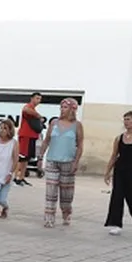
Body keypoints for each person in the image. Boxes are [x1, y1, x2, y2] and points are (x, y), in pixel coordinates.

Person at [38, 97, 84, 228]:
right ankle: (49, 218)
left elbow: (80, 145)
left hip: (68, 162)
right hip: (52, 161)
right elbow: (46, 141)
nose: (62, 110)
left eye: (65, 107)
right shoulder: (54, 123)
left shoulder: (77, 125)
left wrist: (76, 162)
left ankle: (66, 211)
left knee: (66, 193)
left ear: (72, 109)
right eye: (61, 107)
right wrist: (40, 157)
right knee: (51, 191)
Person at [103, 111, 132, 235]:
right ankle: (116, 223)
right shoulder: (119, 138)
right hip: (120, 170)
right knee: (117, 196)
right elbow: (114, 155)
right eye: (124, 119)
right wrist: (107, 171)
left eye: (128, 119)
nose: (126, 122)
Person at [15, 92, 44, 186]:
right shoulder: (28, 107)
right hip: (26, 135)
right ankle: (15, 177)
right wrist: (39, 116)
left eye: (40, 99)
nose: (38, 101)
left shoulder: (33, 109)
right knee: (22, 157)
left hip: (32, 136)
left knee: (27, 158)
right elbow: (26, 109)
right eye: (37, 98)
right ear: (32, 98)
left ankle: (22, 177)